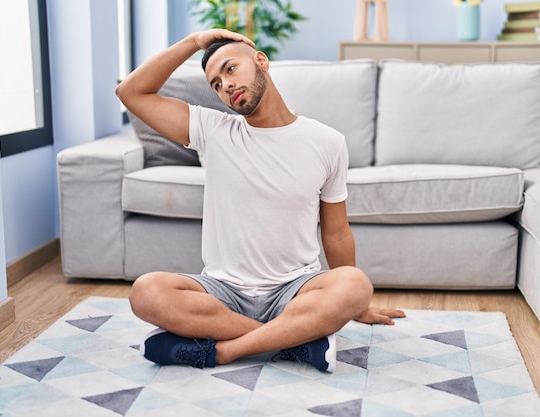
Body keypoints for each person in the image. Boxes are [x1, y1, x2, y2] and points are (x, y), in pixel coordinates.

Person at [116, 29, 406, 373]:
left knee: (355, 285)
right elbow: (131, 92)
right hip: (223, 291)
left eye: (229, 69)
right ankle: (295, 342)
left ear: (260, 61)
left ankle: (223, 351)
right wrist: (194, 42)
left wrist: (358, 308)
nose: (224, 85)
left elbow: (337, 232)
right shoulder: (212, 130)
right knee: (146, 291)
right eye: (215, 84)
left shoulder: (327, 142)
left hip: (295, 290)